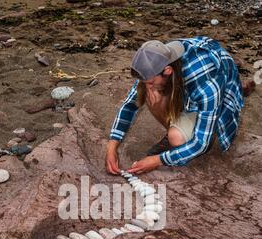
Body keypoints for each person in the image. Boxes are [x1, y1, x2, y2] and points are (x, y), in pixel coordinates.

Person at [105, 36, 248, 175]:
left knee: (177, 138)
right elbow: (130, 105)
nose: (147, 86)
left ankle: (187, 134)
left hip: (218, 95)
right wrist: (112, 146)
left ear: (167, 70)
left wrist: (157, 160)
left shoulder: (206, 84)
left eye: (149, 82)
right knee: (150, 94)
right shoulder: (156, 64)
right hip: (185, 87)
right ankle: (177, 125)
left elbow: (201, 143)